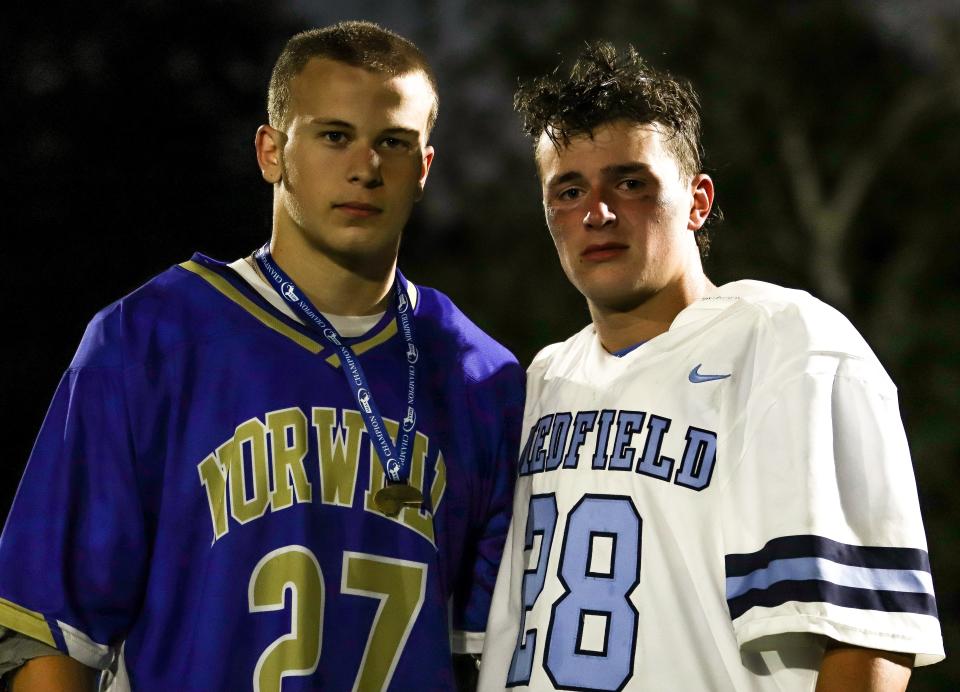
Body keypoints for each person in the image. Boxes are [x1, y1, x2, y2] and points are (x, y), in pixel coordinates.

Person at [0, 21, 524, 691]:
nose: (365, 167)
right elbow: (55, 635)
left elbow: (493, 657)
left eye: (392, 142)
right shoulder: (151, 340)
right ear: (271, 151)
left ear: (423, 167)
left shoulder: (482, 378)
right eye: (334, 136)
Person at [478, 42, 944, 691]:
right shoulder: (541, 381)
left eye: (631, 181)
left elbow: (863, 637)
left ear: (698, 201)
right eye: (569, 190)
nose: (598, 211)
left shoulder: (785, 344)